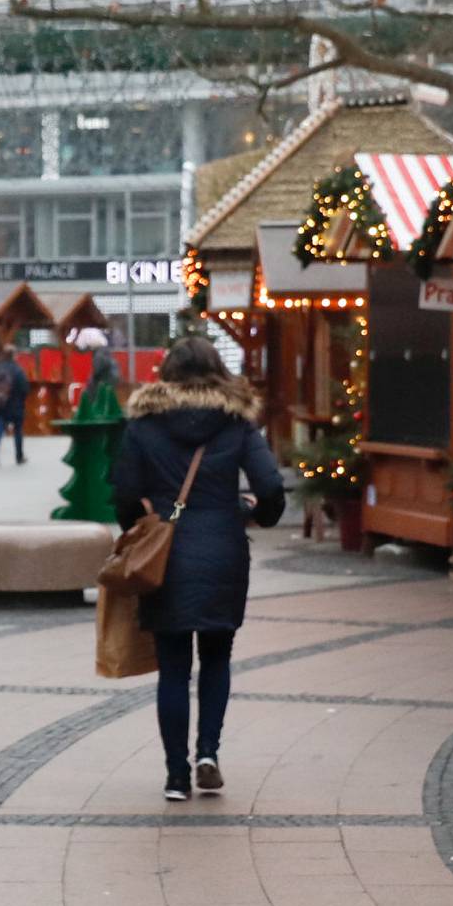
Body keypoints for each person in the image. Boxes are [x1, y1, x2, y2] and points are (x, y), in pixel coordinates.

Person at [111, 334, 286, 802]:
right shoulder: (237, 422)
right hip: (223, 549)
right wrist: (256, 514)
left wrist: (143, 525)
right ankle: (208, 752)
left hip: (167, 556)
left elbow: (124, 493)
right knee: (216, 655)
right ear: (217, 372)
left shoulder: (144, 425)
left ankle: (175, 775)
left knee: (172, 667)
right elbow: (269, 485)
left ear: (166, 372)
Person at [0, 346, 31, 466]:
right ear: (14, 355)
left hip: (0, 405)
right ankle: (19, 456)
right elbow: (25, 389)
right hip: (16, 405)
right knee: (18, 431)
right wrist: (22, 399)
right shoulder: (18, 370)